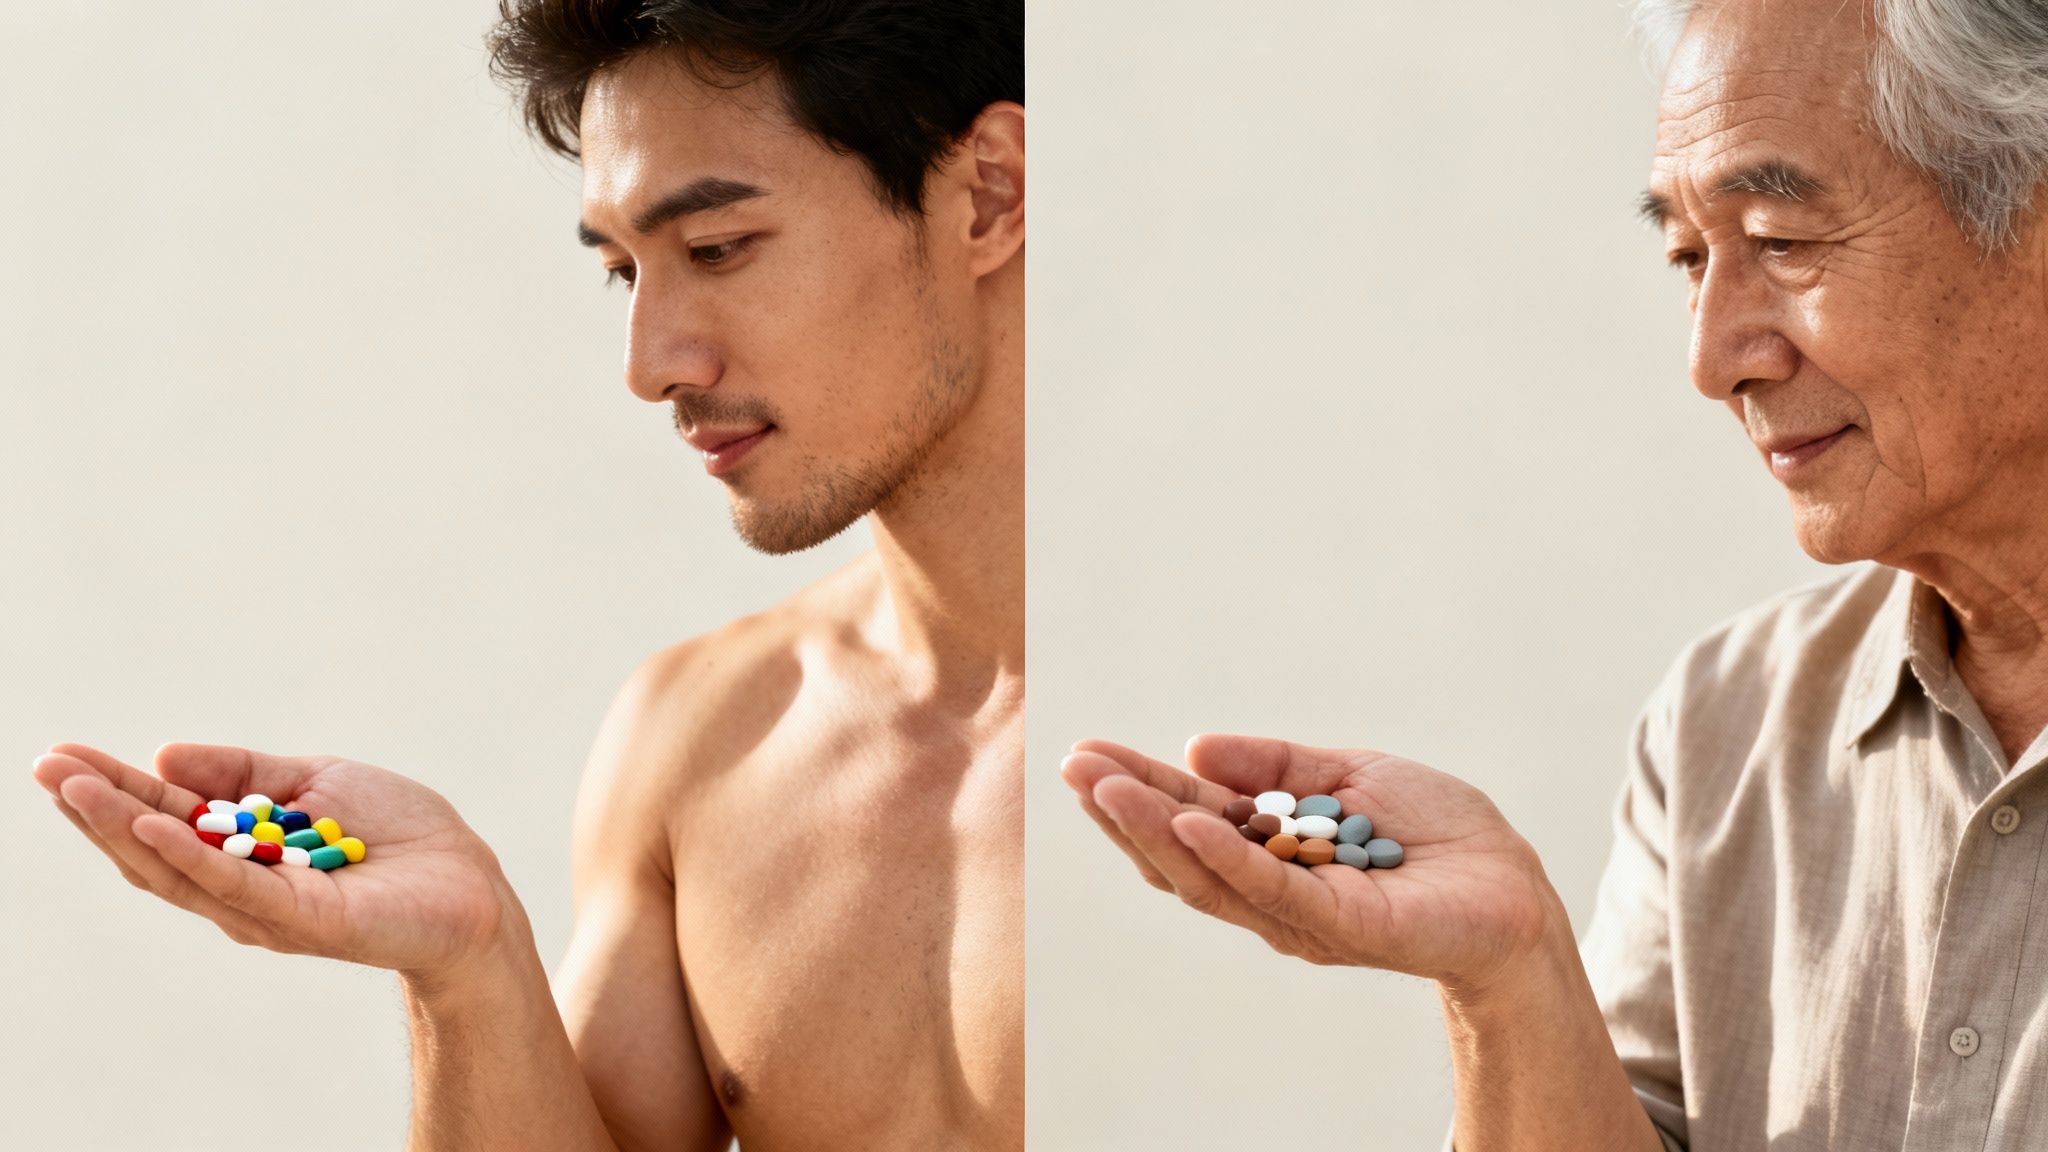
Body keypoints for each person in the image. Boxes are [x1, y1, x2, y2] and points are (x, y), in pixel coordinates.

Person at [29, 2, 1023, 1148]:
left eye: (715, 250)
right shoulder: (702, 733)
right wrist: (467, 969)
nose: (652, 366)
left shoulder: (1239, 758)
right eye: (622, 271)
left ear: (985, 194)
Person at [1062, 0, 2048, 1149]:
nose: (1712, 356)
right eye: (1688, 257)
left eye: (1779, 239)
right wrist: (1506, 972)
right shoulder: (1722, 723)